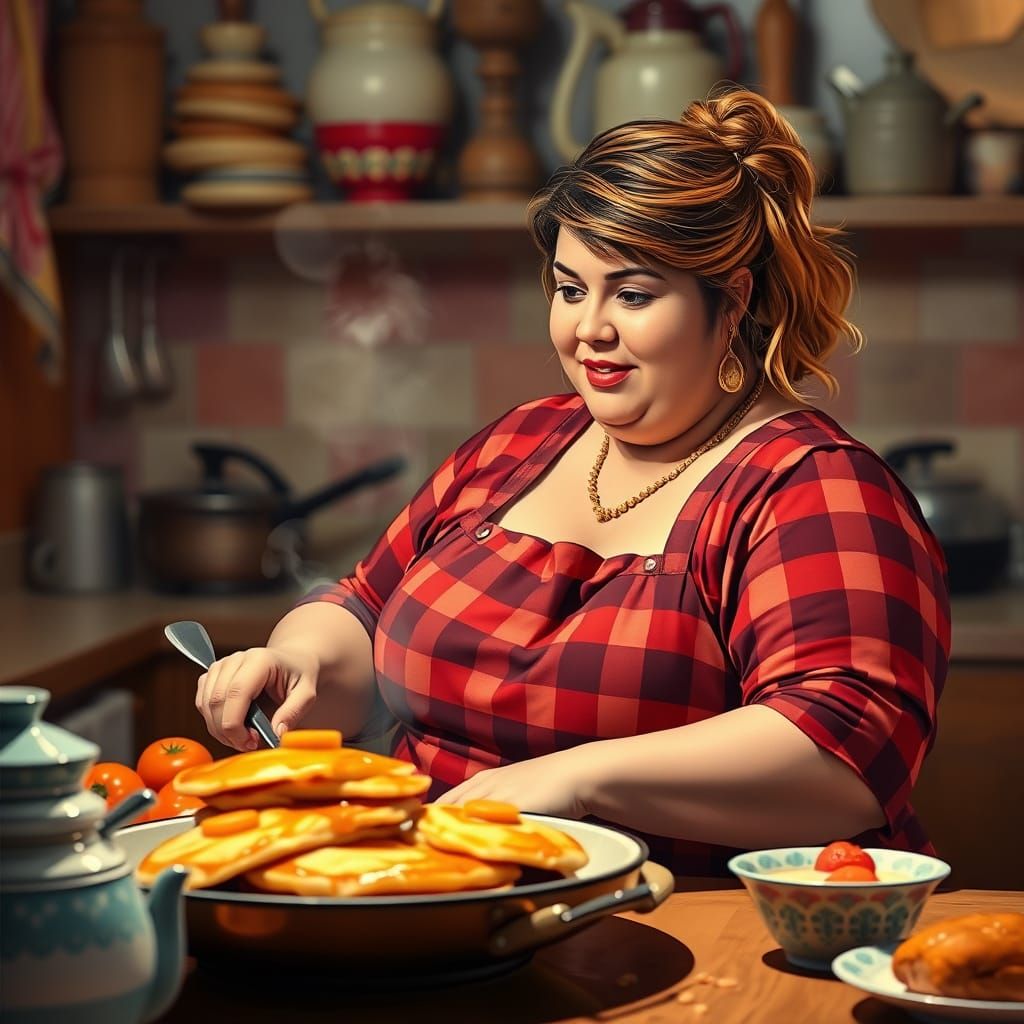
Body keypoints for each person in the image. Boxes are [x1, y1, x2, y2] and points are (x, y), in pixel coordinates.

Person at [195, 88, 950, 876]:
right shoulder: (522, 441)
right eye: (568, 288)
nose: (589, 328)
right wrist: (302, 665)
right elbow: (365, 605)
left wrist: (580, 779)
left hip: (696, 921)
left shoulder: (813, 489)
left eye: (632, 293)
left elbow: (846, 749)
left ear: (732, 303)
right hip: (442, 890)